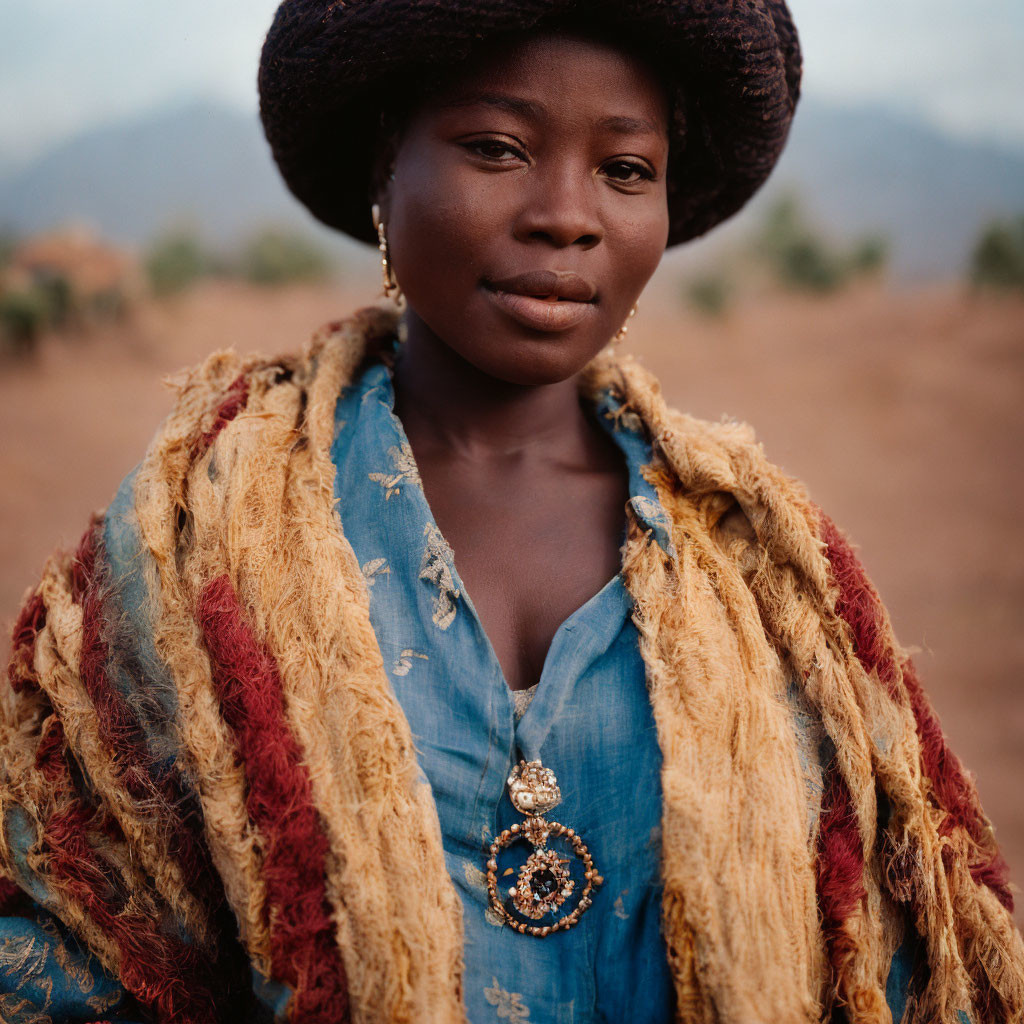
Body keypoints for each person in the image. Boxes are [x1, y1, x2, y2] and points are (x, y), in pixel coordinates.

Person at [1, 2, 1022, 1022]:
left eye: (625, 170)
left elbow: (911, 953)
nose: (567, 213)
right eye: (496, 148)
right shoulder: (200, 534)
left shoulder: (762, 564)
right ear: (382, 170)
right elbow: (65, 939)